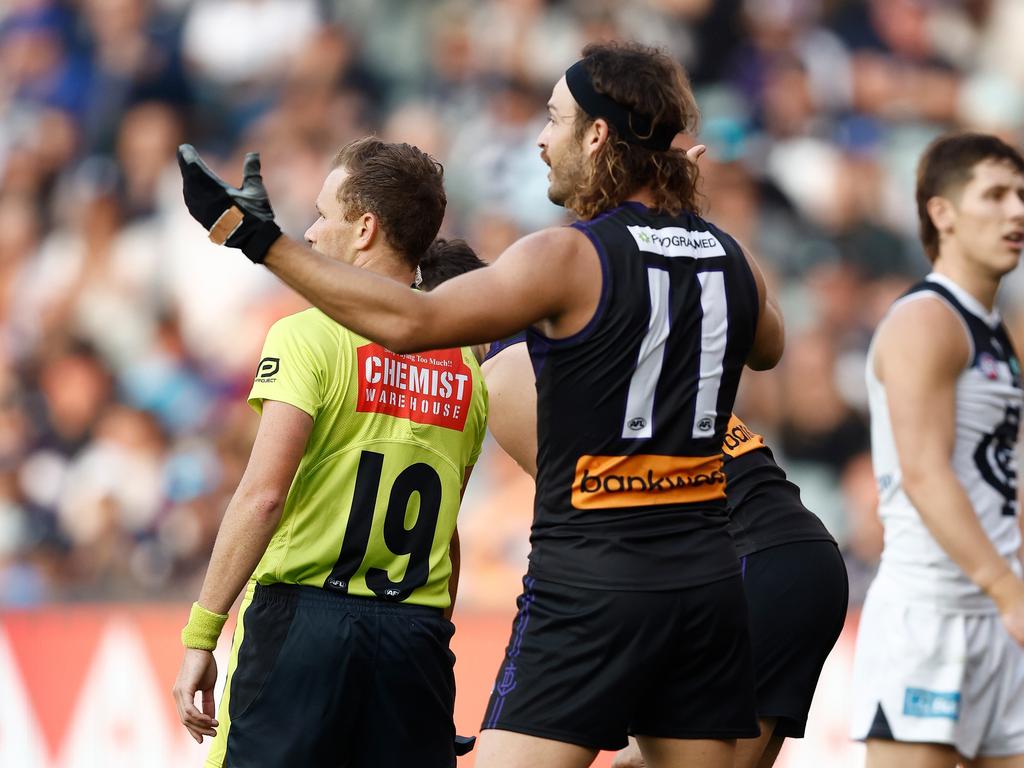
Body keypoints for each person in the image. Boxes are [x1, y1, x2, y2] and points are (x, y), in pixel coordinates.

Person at [178, 41, 785, 768]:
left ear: (597, 136)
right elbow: (768, 345)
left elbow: (412, 322)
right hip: (702, 582)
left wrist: (257, 239)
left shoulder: (564, 257)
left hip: (592, 581)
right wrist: (683, 208)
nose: (540, 137)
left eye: (555, 119)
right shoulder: (728, 256)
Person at [171, 138, 489, 768]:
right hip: (415, 637)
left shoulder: (306, 335)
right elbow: (446, 536)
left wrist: (202, 633)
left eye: (324, 215)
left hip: (304, 626)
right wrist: (429, 647)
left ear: (366, 229)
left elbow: (263, 496)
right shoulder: (468, 366)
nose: (310, 233)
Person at [479, 336, 847, 768]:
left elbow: (592, 538)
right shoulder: (626, 335)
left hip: (742, 560)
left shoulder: (513, 365)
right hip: (796, 553)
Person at [849, 132, 1024, 768]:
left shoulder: (996, 332)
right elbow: (924, 474)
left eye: (1022, 196)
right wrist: (1010, 592)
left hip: (997, 617)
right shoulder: (925, 319)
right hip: (931, 617)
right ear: (941, 213)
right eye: (997, 195)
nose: (1017, 213)